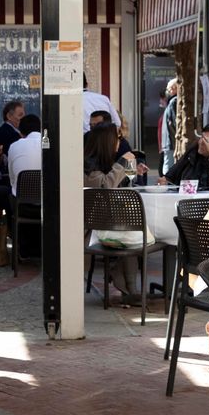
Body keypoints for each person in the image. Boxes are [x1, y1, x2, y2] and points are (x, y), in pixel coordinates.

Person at [84, 123, 146, 306]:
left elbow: (120, 185)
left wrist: (132, 172)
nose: (120, 142)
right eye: (117, 138)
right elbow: (105, 187)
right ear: (107, 141)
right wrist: (122, 165)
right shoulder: (87, 166)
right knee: (133, 231)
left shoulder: (103, 163)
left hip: (110, 222)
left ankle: (129, 286)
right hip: (93, 228)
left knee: (135, 229)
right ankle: (130, 288)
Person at [7, 114, 43, 195]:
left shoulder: (14, 146)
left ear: (21, 133)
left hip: (22, 200)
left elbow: (12, 180)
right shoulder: (51, 144)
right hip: (48, 199)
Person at [158, 78, 180, 175]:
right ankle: (167, 184)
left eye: (169, 89)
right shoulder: (174, 102)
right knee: (169, 165)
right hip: (171, 141)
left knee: (168, 164)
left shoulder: (171, 102)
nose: (168, 92)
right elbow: (175, 123)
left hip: (168, 141)